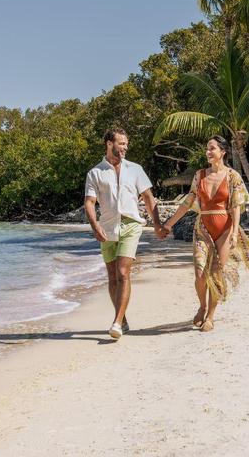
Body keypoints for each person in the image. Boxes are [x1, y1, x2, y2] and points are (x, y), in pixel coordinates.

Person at [161, 135, 249, 332]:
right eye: (207, 148)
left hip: (225, 229)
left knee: (216, 272)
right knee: (200, 273)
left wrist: (235, 232)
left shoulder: (232, 176)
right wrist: (168, 224)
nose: (208, 152)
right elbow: (187, 202)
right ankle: (202, 306)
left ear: (222, 152)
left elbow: (236, 206)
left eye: (212, 148)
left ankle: (210, 316)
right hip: (203, 227)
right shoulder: (199, 175)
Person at [84, 128, 166, 340]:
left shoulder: (135, 169)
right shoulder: (95, 173)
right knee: (112, 276)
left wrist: (156, 224)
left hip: (131, 225)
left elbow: (148, 197)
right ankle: (122, 317)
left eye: (126, 144)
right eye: (121, 144)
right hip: (107, 228)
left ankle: (117, 323)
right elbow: (90, 203)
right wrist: (95, 226)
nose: (125, 148)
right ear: (109, 144)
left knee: (122, 272)